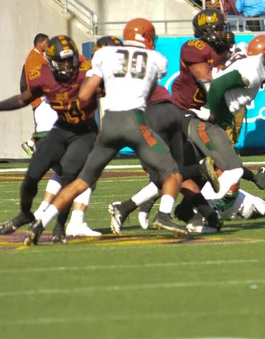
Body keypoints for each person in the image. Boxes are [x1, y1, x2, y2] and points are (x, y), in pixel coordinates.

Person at [24, 19, 188, 246]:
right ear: (148, 37)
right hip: (135, 121)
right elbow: (149, 91)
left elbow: (84, 95)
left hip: (109, 124)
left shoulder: (105, 55)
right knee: (172, 174)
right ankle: (164, 215)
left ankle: (40, 223)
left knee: (81, 181)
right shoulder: (157, 59)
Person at [0, 35, 99, 244]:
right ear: (51, 62)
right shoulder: (42, 75)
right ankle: (25, 213)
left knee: (69, 175)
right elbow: (22, 99)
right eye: (61, 61)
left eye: (69, 60)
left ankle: (60, 225)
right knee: (32, 174)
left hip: (84, 131)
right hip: (61, 128)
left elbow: (105, 86)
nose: (66, 65)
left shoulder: (86, 70)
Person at [184, 35, 265, 232]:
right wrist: (210, 111)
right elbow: (218, 86)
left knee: (194, 168)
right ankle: (203, 211)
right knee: (228, 168)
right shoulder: (253, 69)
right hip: (216, 115)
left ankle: (140, 206)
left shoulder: (252, 64)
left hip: (218, 114)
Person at [20, 33, 58, 157]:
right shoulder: (34, 58)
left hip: (43, 97)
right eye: (46, 43)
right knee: (46, 126)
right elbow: (35, 79)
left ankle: (31, 143)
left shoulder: (40, 56)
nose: (48, 45)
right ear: (39, 43)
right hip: (40, 98)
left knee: (48, 124)